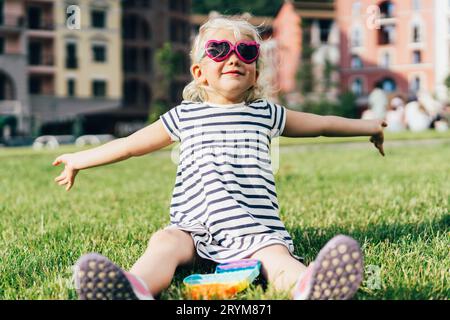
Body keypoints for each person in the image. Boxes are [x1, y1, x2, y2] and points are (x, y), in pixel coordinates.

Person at [52, 16, 387, 300]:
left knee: (276, 258)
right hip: (193, 228)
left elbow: (323, 125)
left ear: (255, 72)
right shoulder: (184, 115)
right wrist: (80, 160)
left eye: (246, 51)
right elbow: (129, 144)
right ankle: (133, 287)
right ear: (199, 72)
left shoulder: (265, 113)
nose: (234, 57)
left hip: (253, 226)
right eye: (218, 50)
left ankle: (309, 287)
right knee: (164, 243)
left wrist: (369, 126)